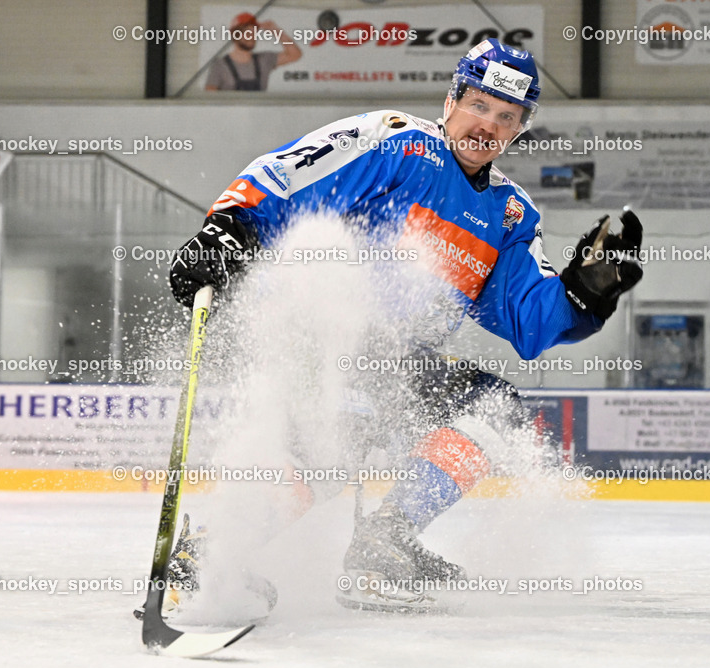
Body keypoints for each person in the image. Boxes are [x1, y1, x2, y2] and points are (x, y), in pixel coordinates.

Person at [168, 39, 643, 612]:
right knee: (334, 442)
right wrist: (229, 229)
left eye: (506, 117)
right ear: (451, 99)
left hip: (399, 357)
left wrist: (585, 294)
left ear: (520, 128)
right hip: (322, 330)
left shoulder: (510, 214)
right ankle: (215, 554)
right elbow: (287, 175)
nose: (487, 125)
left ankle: (380, 536)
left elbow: (528, 319)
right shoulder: (397, 142)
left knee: (495, 412)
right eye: (479, 105)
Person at [204, 12, 302, 92]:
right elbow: (209, 99)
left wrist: (276, 31)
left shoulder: (264, 60)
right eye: (247, 32)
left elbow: (295, 54)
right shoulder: (220, 65)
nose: (251, 36)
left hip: (258, 115)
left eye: (254, 32)